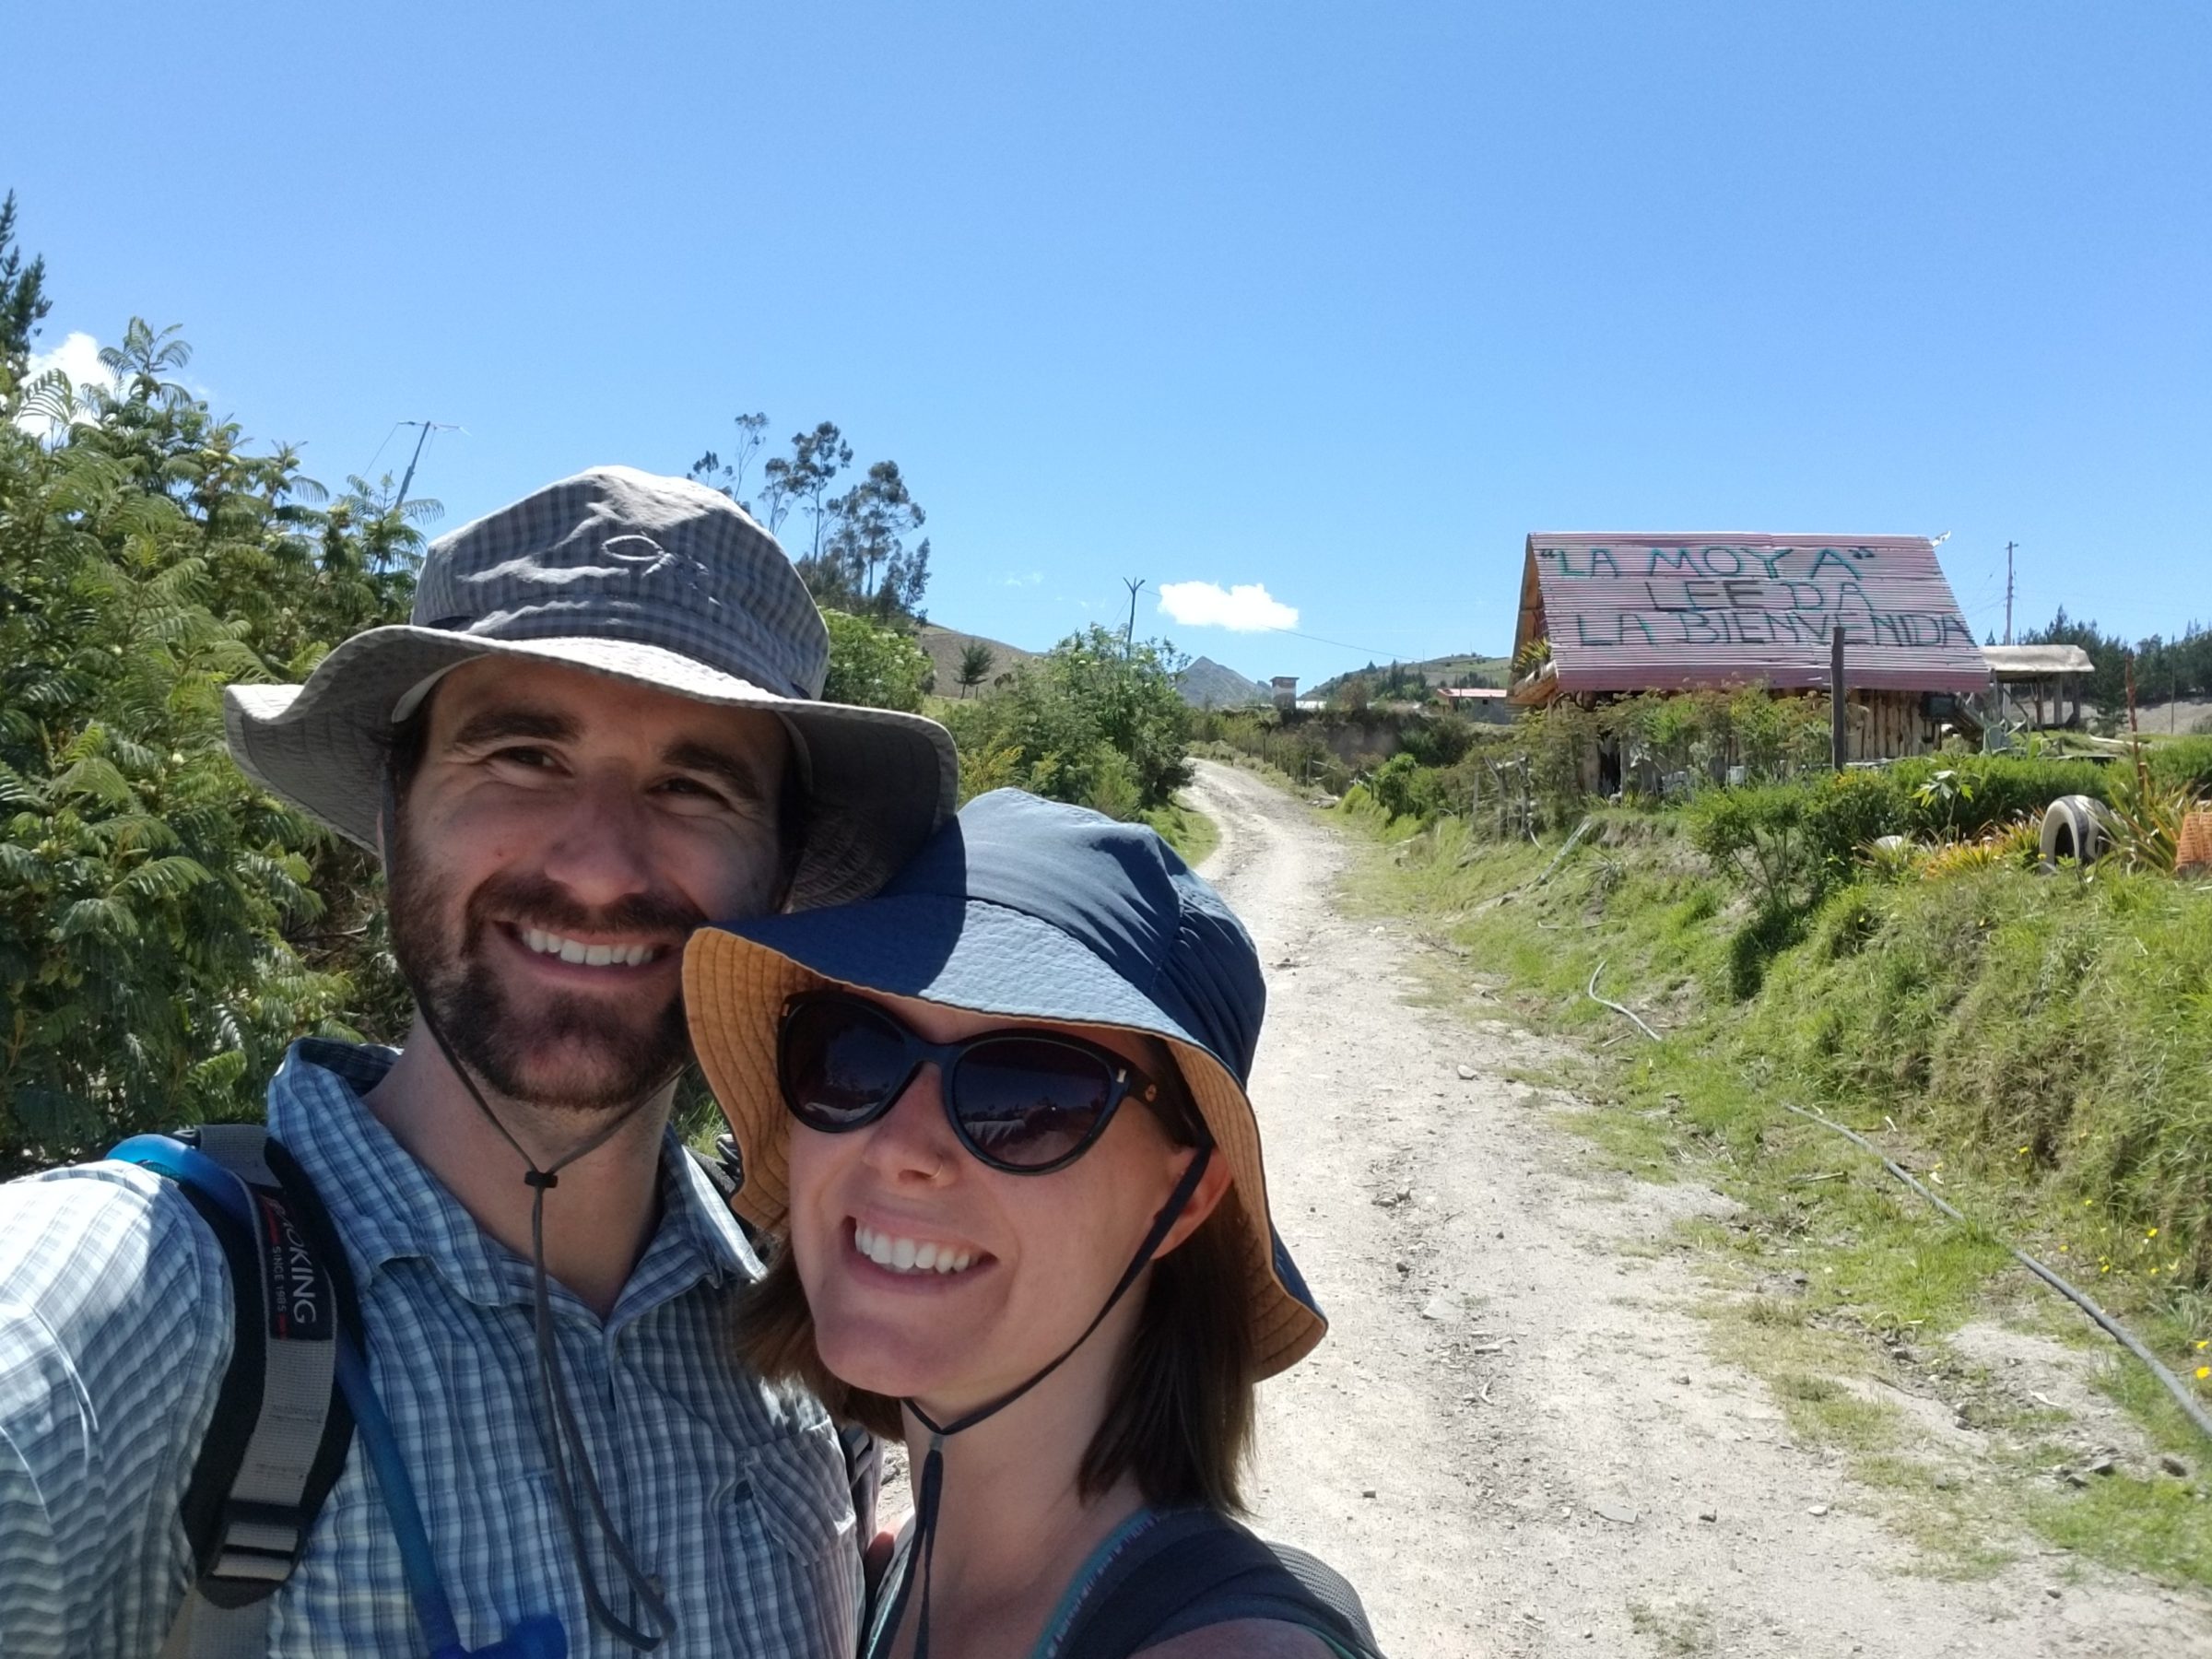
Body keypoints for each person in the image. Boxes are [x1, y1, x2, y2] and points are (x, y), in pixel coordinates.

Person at [0, 466, 958, 1656]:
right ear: (399, 809)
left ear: (779, 878)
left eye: (694, 786)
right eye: (522, 756)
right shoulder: (138, 1319)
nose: (602, 866)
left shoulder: (804, 1338)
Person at [682, 788, 1382, 1659]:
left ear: (1184, 1199)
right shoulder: (873, 1566)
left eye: (1027, 1094)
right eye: (853, 1052)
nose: (901, 1147)